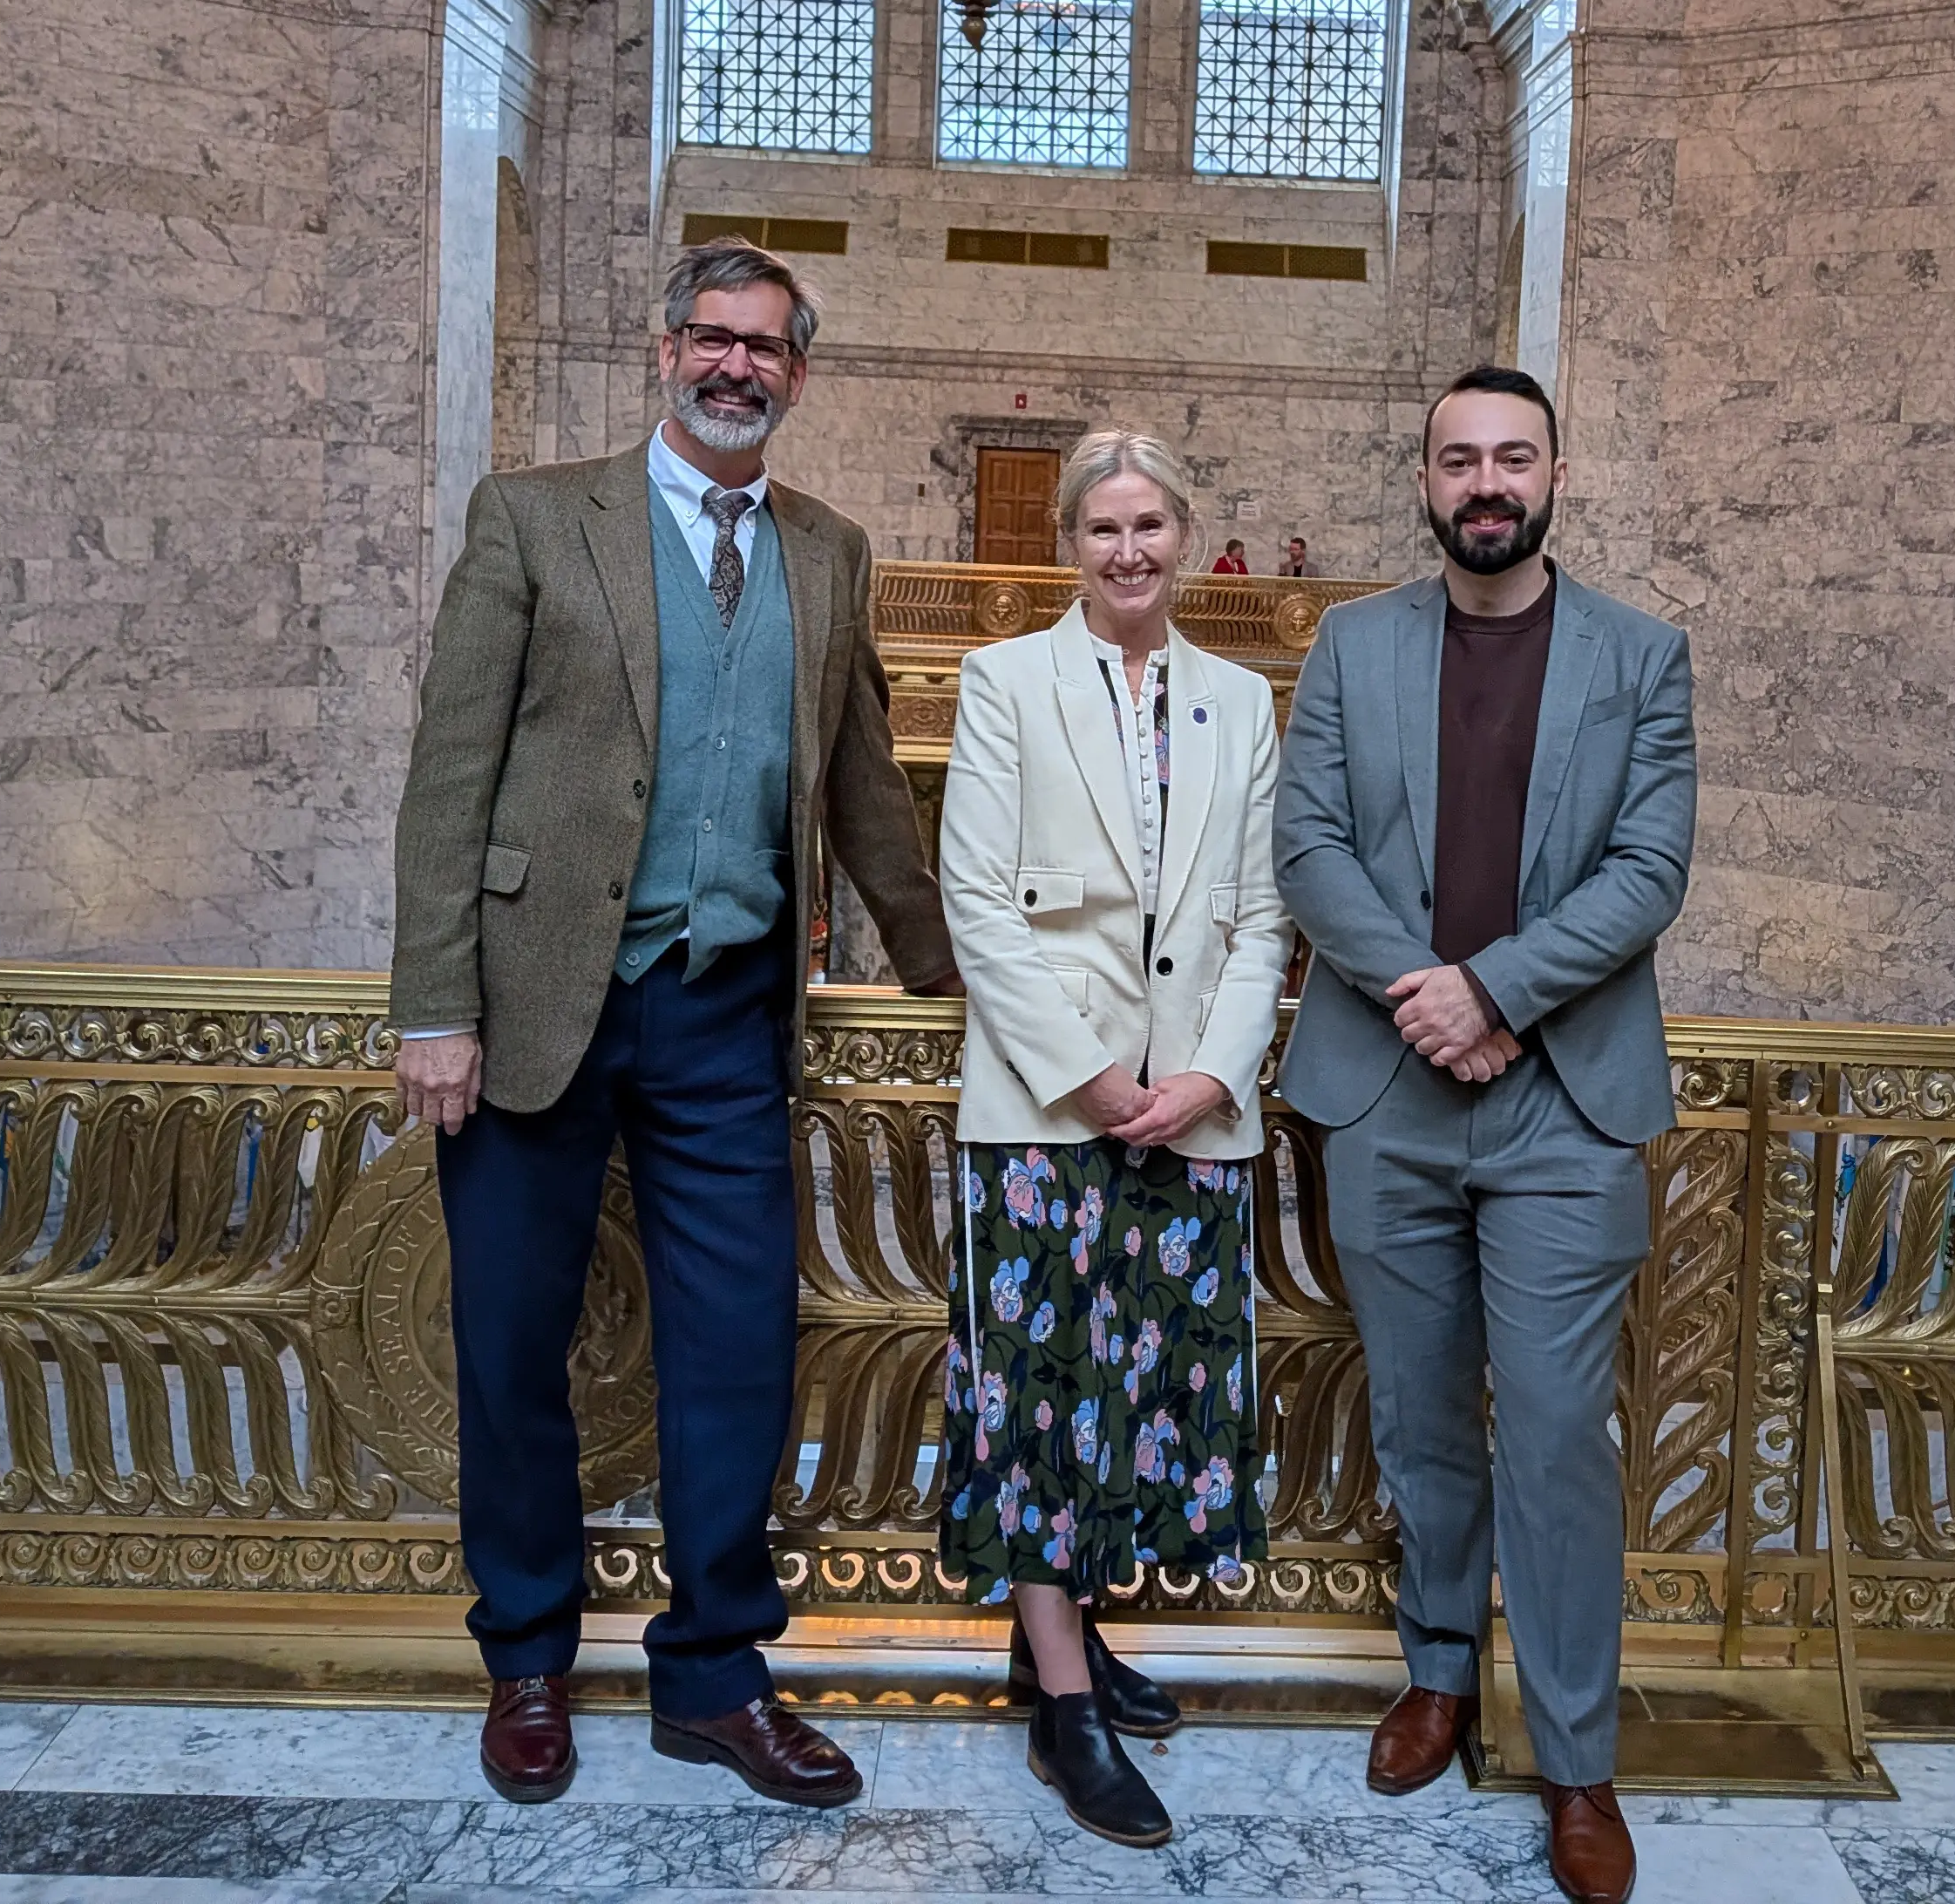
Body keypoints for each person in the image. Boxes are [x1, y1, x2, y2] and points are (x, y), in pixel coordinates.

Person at [388, 238, 961, 1810]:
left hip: (723, 1017)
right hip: (528, 1011)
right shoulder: (531, 516)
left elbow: (862, 789)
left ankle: (713, 1673)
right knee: (512, 1346)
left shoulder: (832, 552)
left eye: (767, 349)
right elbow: (449, 781)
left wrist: (956, 978)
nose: (736, 367)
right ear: (664, 351)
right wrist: (434, 1005)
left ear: (798, 375)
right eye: (714, 338)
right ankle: (525, 1659)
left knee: (736, 1354)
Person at [1273, 367, 1696, 1904]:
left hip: (1563, 1102)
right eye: (1460, 459)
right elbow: (1307, 845)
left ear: (1557, 473)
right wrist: (1422, 996)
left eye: (1512, 455)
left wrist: (1497, 992)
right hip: (1390, 1087)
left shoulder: (1642, 656)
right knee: (1422, 1419)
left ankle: (1576, 1758)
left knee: (1561, 1431)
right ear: (1428, 480)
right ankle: (1439, 1670)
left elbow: (1650, 870)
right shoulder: (1350, 643)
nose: (1485, 481)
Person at [934, 428, 1292, 1849]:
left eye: (1151, 527)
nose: (1129, 551)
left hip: (1190, 1112)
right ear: (1068, 542)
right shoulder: (1006, 678)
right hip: (1044, 1105)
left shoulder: (1239, 700)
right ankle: (1064, 1707)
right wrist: (1090, 1077)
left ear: (1183, 536)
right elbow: (978, 903)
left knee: (1138, 1386)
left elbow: (1264, 919)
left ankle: (1063, 1633)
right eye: (1103, 530)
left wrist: (1206, 1072)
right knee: (1039, 1386)